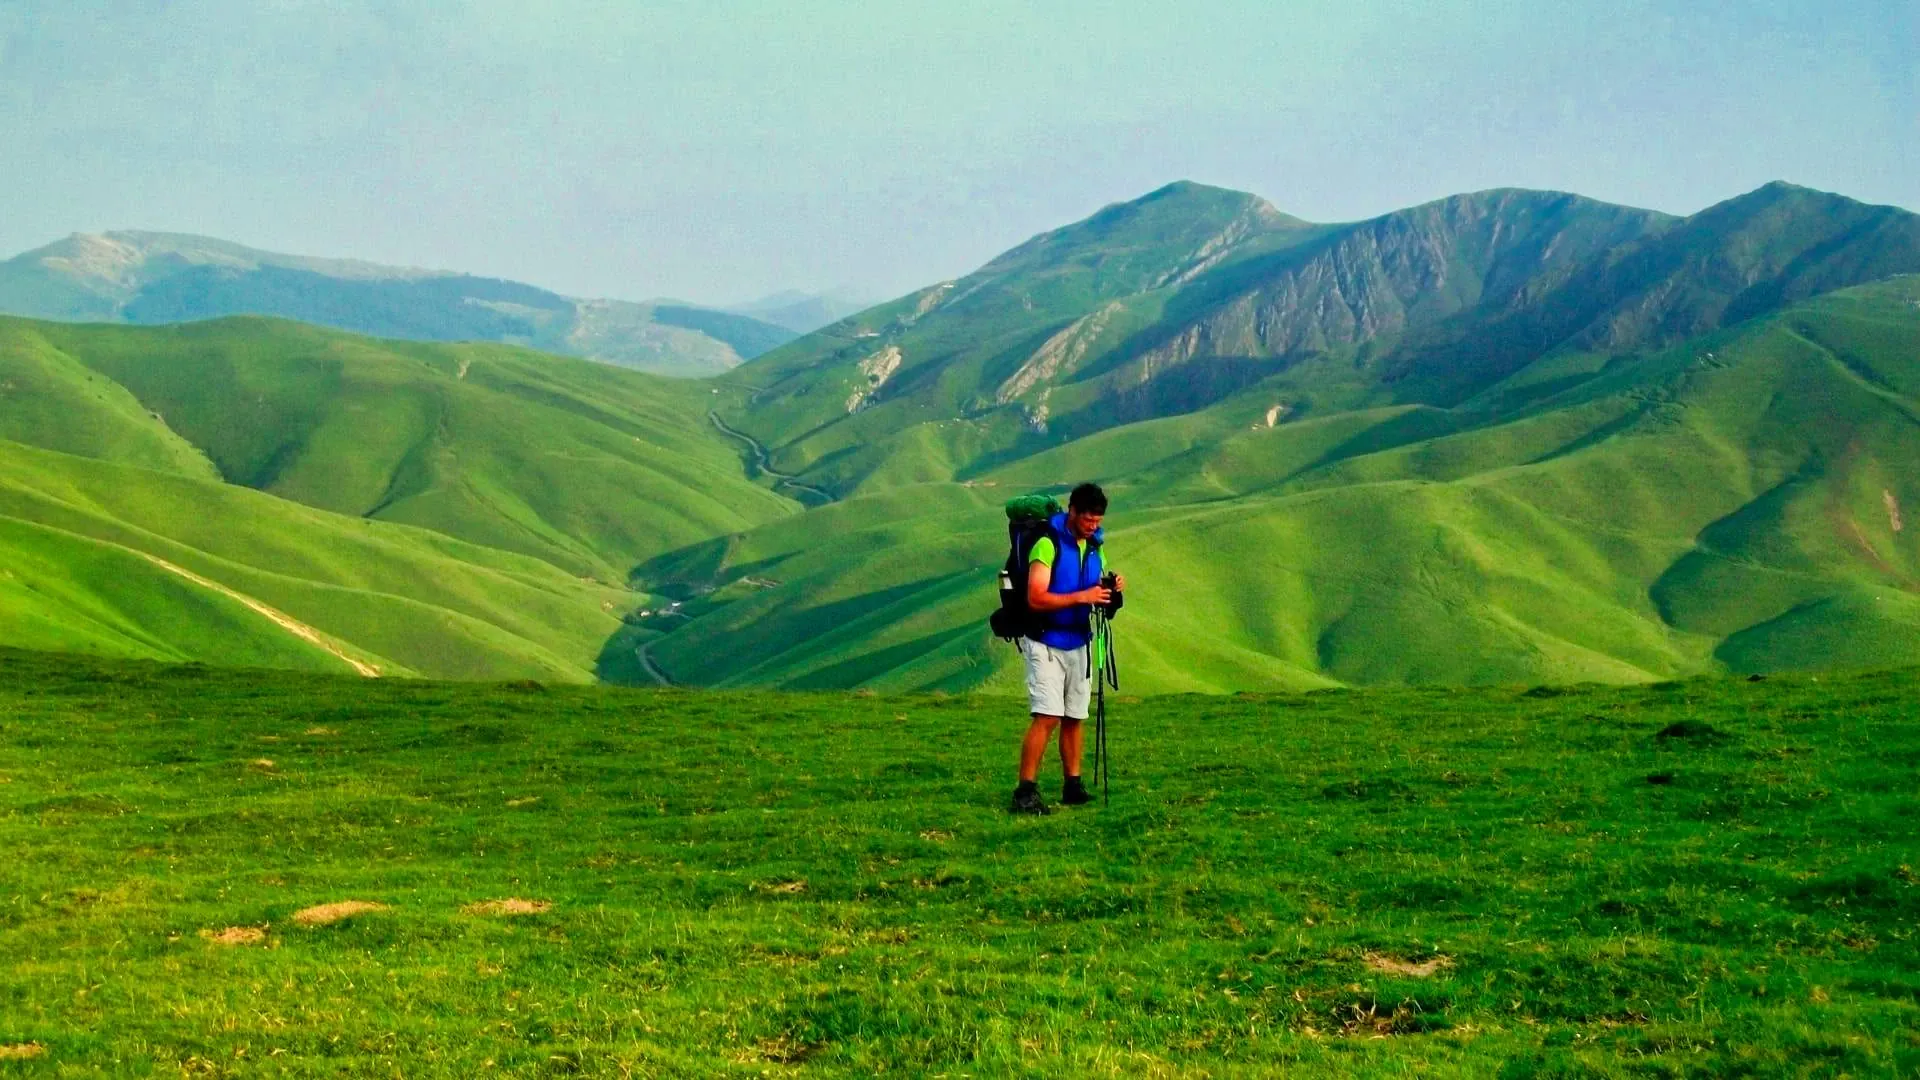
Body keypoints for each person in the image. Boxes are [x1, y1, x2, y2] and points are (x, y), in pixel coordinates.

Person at [1011, 482, 1124, 815]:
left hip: (1080, 641)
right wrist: (1082, 596)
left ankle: (1072, 785)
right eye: (1088, 519)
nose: (1093, 525)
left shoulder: (1095, 546)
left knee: (1075, 716)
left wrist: (1110, 588)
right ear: (1071, 511)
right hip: (1045, 640)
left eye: (1097, 520)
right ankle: (1024, 791)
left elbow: (1093, 588)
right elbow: (1036, 596)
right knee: (1047, 716)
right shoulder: (1046, 544)